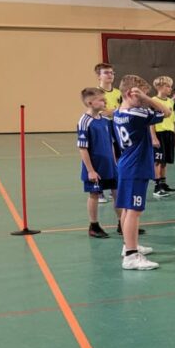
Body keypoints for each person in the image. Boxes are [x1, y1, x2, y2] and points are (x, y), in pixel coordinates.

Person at [113, 75, 170, 270]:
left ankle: (128, 245)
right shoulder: (136, 114)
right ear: (131, 94)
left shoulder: (119, 112)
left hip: (127, 164)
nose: (145, 100)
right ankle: (131, 256)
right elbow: (166, 112)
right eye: (142, 96)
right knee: (134, 211)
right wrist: (147, 99)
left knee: (127, 209)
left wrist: (143, 98)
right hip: (135, 167)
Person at [76, 87, 117, 239]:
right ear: (90, 103)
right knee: (94, 194)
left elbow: (111, 144)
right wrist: (90, 170)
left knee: (117, 192)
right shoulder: (84, 121)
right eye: (101, 100)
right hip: (95, 166)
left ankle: (123, 223)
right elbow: (82, 148)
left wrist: (114, 163)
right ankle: (94, 226)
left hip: (110, 165)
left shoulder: (106, 121)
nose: (105, 102)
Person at [151, 76, 175, 196]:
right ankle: (157, 187)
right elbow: (151, 122)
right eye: (167, 86)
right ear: (159, 87)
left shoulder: (170, 101)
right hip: (159, 133)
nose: (170, 89)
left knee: (165, 161)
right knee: (157, 160)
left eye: (170, 86)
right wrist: (153, 137)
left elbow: (172, 120)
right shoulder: (153, 101)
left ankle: (163, 184)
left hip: (169, 133)